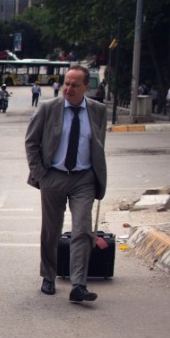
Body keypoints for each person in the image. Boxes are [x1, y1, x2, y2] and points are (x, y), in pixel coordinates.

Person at [24, 66, 108, 303]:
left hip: (84, 179)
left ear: (86, 88)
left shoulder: (98, 110)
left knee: (82, 230)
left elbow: (98, 143)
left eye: (75, 85)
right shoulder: (48, 108)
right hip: (54, 176)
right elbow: (31, 142)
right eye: (66, 84)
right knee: (51, 230)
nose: (69, 89)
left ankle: (79, 284)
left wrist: (95, 174)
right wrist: (40, 174)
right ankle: (49, 276)